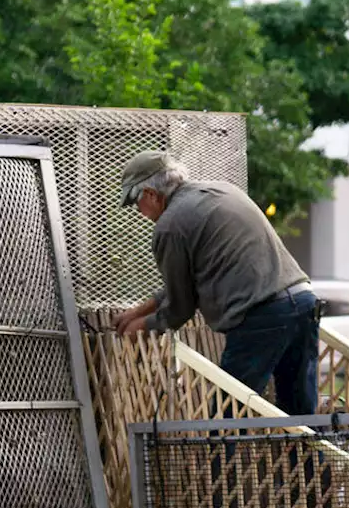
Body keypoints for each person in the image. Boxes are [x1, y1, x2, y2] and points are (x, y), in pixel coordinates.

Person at [111, 151, 320, 415]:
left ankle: (222, 458)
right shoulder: (220, 191)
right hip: (304, 301)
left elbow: (180, 307)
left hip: (262, 316)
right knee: (299, 414)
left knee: (228, 414)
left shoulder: (170, 226)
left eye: (135, 202)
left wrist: (141, 326)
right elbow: (188, 284)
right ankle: (311, 458)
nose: (138, 212)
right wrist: (137, 311)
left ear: (151, 194)